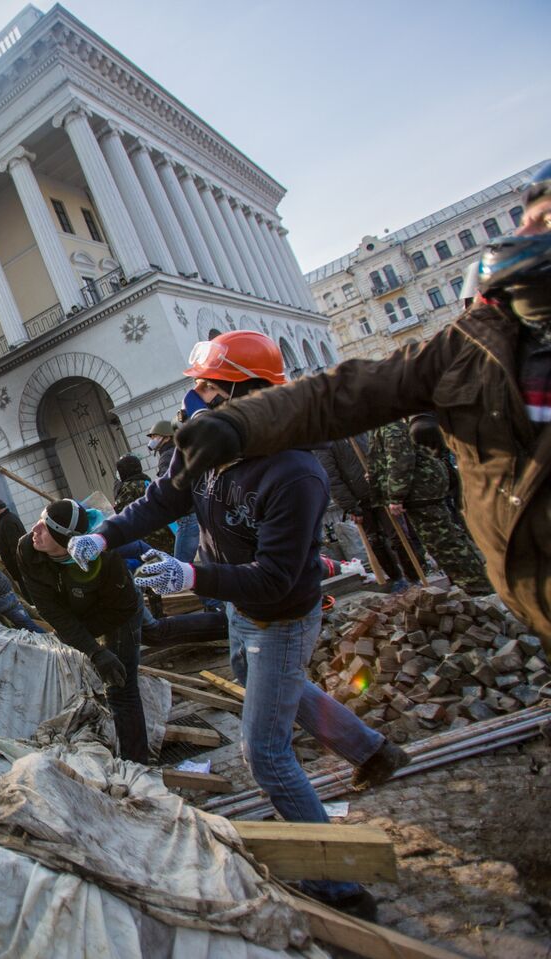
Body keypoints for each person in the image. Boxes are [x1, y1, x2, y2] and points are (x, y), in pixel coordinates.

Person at [67, 329, 407, 919]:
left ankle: (339, 885)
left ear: (245, 392)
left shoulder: (294, 472)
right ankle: (372, 752)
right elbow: (162, 501)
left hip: (280, 615)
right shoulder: (205, 445)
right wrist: (105, 532)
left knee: (265, 752)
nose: (193, 398)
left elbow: (276, 578)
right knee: (276, 690)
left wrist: (192, 579)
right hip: (236, 607)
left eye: (206, 386)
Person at [170, 161, 551, 648]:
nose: (521, 235)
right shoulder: (478, 341)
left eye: (541, 222)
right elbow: (353, 389)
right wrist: (239, 426)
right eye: (525, 219)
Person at [17, 499, 148, 764]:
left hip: (120, 610)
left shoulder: (105, 558)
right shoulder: (28, 550)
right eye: (40, 520)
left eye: (46, 527)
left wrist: (97, 649)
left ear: (65, 540)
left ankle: (136, 764)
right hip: (80, 611)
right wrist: (92, 649)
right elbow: (51, 610)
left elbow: (121, 610)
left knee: (121, 686)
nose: (35, 529)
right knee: (149, 636)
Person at [368, 418, 491, 595]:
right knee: (444, 539)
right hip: (419, 490)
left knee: (444, 542)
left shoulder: (391, 425)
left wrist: (396, 495)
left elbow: (401, 459)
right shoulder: (381, 425)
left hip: (421, 490)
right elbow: (387, 459)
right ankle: (474, 583)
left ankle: (478, 587)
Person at [313, 434, 418, 588]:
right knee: (375, 541)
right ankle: (396, 578)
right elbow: (332, 478)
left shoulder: (361, 431)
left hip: (381, 493)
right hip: (359, 501)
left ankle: (414, 576)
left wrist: (384, 480)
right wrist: (351, 506)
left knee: (399, 536)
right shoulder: (325, 444)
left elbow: (381, 455)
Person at [148, 418, 198, 563]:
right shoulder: (177, 452)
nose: (153, 440)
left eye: (155, 436)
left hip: (187, 516)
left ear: (166, 436)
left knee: (179, 565)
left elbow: (169, 487)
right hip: (194, 511)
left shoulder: (167, 456)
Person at [111, 454, 175, 554]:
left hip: (149, 536)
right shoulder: (147, 481)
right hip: (165, 531)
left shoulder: (128, 487)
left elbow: (122, 512)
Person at [0, 497, 28, 600]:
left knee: (28, 593)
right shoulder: (5, 520)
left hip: (21, 567)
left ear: (0, 509)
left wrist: (19, 567)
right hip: (19, 567)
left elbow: (15, 546)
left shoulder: (7, 522)